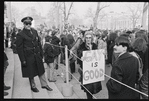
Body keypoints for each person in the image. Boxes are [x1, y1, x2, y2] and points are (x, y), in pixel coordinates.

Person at [16, 16, 52, 92]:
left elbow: (39, 43)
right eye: (26, 23)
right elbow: (19, 49)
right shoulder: (20, 34)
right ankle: (33, 86)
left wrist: (41, 53)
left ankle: (44, 84)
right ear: (23, 24)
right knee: (31, 72)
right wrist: (23, 60)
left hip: (37, 54)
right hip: (28, 56)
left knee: (41, 70)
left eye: (30, 23)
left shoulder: (35, 31)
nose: (28, 25)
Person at [77, 31, 102, 99]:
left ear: (92, 38)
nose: (88, 39)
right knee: (88, 89)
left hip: (93, 70)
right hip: (86, 70)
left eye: (89, 38)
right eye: (87, 38)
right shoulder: (81, 46)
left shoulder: (94, 45)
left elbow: (97, 56)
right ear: (85, 38)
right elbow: (78, 55)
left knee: (94, 88)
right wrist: (81, 57)